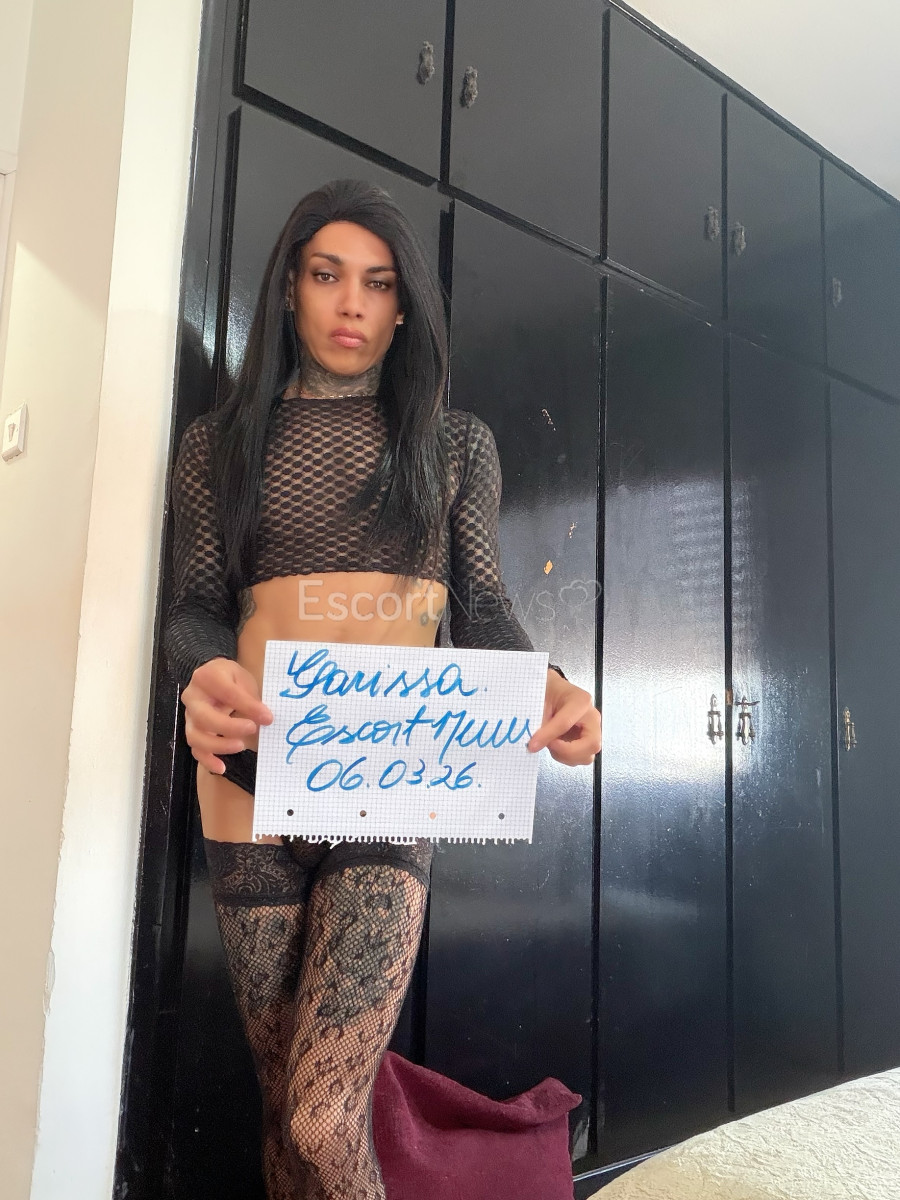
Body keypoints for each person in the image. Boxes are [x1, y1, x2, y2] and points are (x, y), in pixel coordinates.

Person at [163, 177, 602, 1200]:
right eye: (328, 276)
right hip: (247, 784)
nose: (351, 304)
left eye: (378, 282)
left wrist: (547, 685)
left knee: (322, 1115)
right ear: (290, 288)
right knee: (283, 1109)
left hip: (389, 787)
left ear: (405, 307)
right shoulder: (216, 446)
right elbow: (193, 607)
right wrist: (201, 668)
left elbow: (482, 610)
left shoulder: (454, 446)